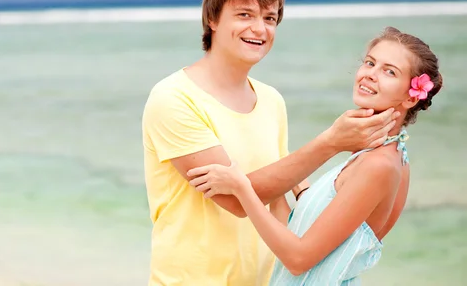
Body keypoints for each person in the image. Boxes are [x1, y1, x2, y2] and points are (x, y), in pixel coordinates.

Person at [141, 0, 400, 285]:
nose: (260, 29)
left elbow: (278, 200)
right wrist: (331, 142)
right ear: (212, 19)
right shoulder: (174, 97)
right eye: (244, 15)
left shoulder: (271, 101)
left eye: (270, 18)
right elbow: (234, 202)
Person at [187, 26, 443, 285]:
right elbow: (304, 240)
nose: (370, 75)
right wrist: (284, 182)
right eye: (370, 63)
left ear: (411, 98)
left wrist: (242, 188)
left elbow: (298, 260)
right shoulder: (392, 154)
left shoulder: (379, 164)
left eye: (389, 71)